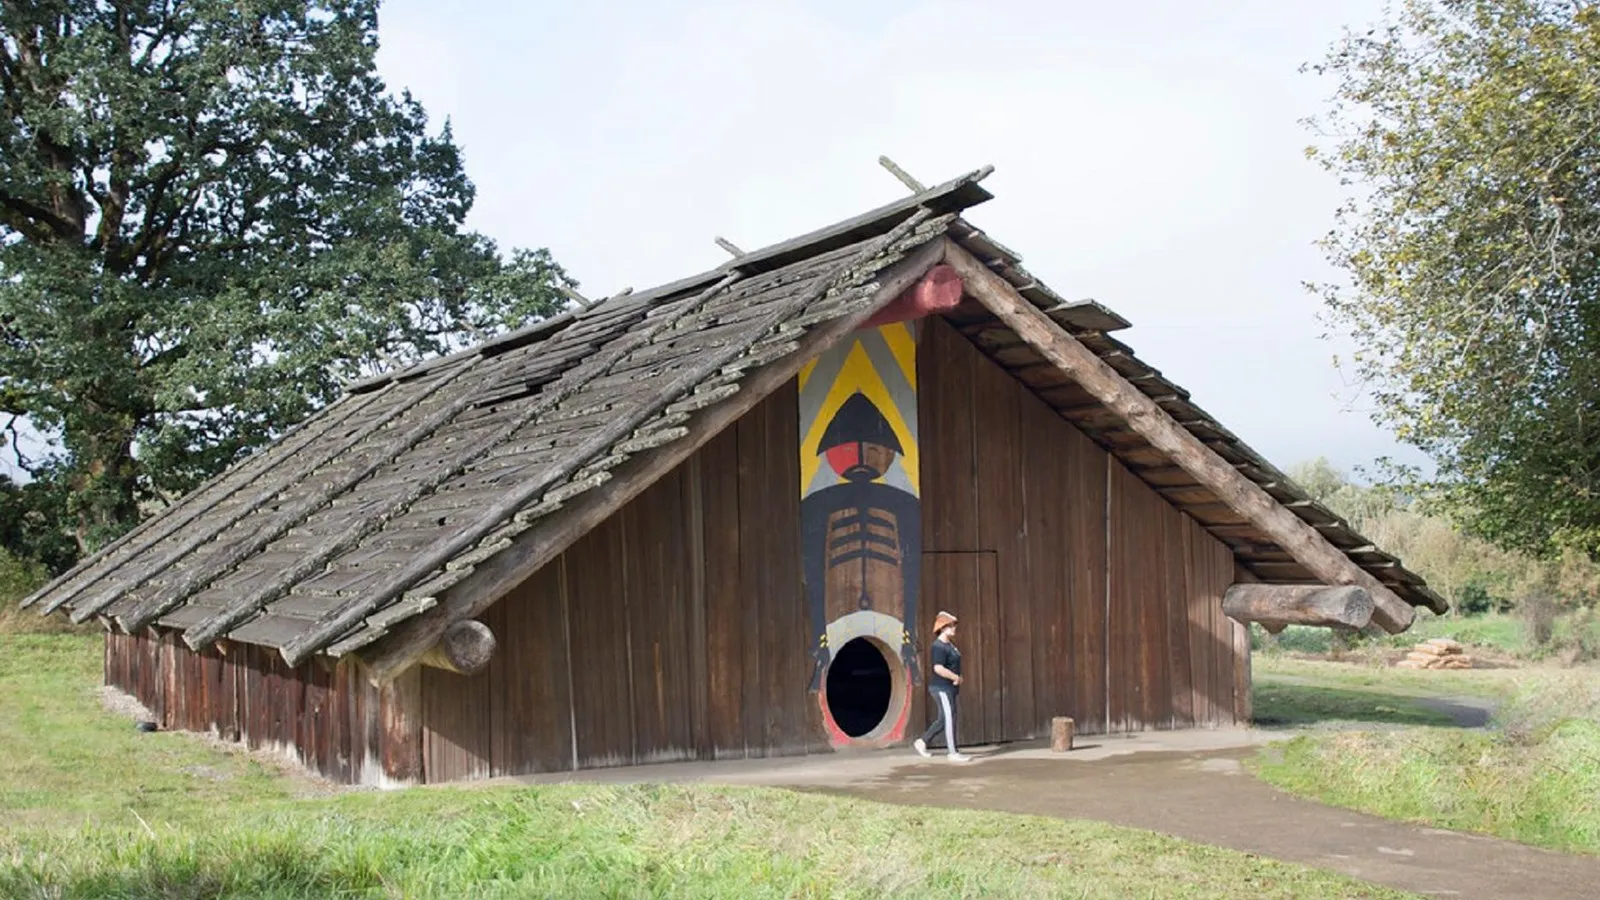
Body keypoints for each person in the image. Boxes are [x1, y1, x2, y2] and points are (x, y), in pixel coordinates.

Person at [913, 610, 969, 762]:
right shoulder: (938, 646)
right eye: (950, 626)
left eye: (953, 625)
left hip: (949, 688)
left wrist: (958, 677)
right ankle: (952, 752)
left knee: (944, 719)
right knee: (950, 717)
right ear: (943, 628)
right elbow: (938, 668)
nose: (954, 628)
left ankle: (922, 742)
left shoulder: (950, 645)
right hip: (941, 688)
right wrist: (955, 677)